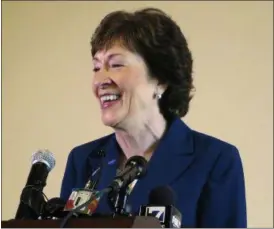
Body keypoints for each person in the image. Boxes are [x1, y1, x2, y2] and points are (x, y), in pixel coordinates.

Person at [60, 7, 247, 227]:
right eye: (96, 67)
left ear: (160, 79)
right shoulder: (83, 161)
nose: (100, 80)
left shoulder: (216, 160)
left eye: (116, 64)